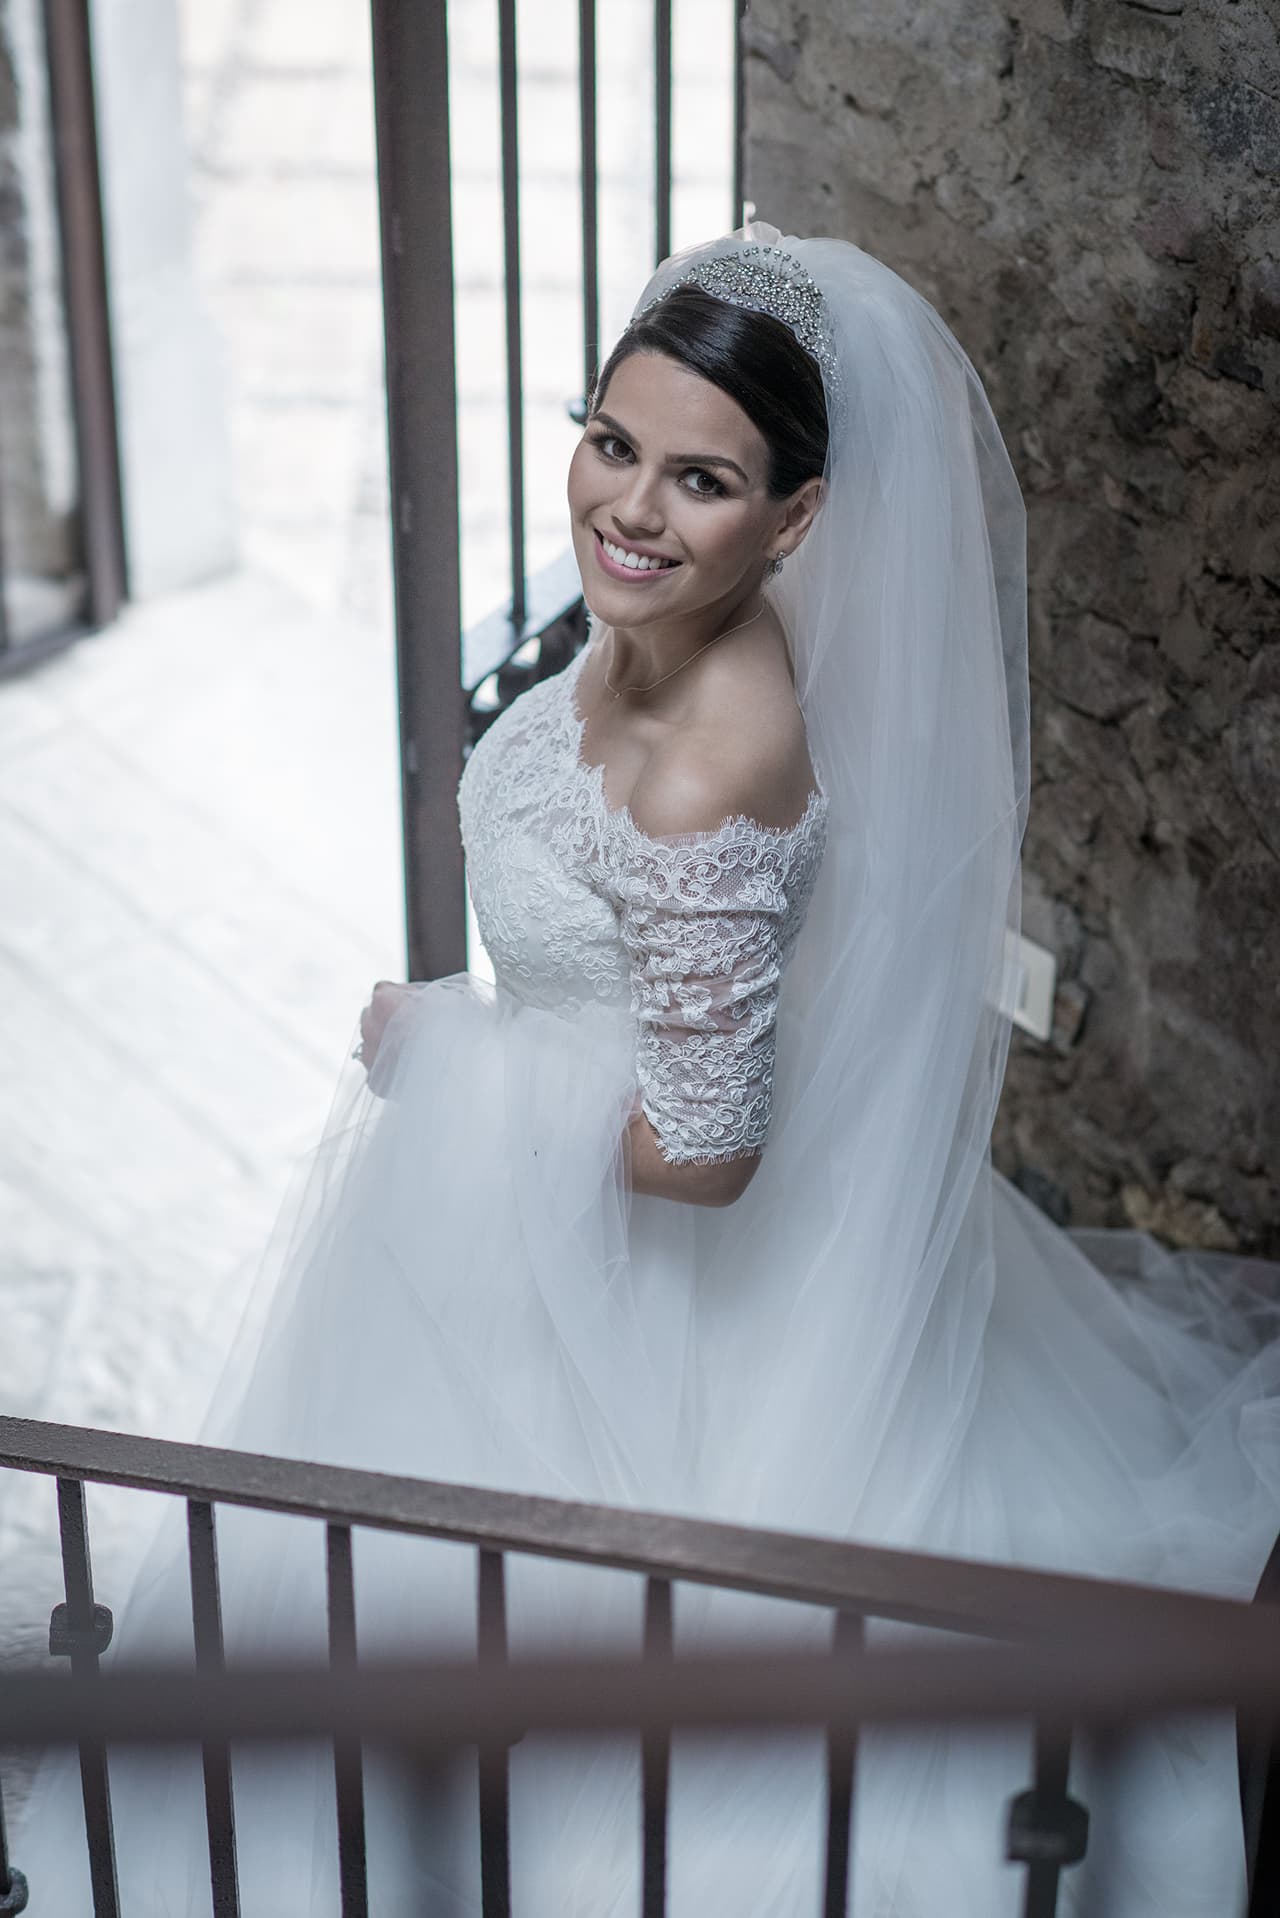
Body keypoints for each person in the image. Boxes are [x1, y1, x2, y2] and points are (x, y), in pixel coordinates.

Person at [13, 221, 1280, 1914]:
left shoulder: (711, 767)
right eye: (614, 443)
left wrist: (459, 1051)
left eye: (702, 481)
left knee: (518, 1652)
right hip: (535, 1222)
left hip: (642, 1295)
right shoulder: (644, 628)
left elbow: (708, 1147)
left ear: (798, 518)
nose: (628, 507)